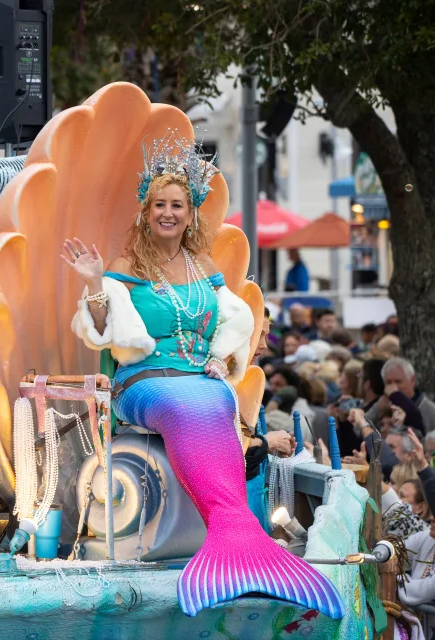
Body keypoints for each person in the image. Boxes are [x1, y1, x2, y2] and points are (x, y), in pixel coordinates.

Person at [64, 132, 343, 618]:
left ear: (191, 213)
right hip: (144, 383)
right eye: (158, 205)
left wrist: (221, 358)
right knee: (186, 404)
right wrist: (93, 284)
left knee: (215, 400)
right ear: (145, 212)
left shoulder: (204, 267)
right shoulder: (125, 266)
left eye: (177, 205)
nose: (168, 213)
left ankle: (233, 540)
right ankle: (237, 535)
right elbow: (103, 332)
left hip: (201, 380)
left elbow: (235, 323)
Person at [369, 357, 435, 434]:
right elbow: (359, 430)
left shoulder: (429, 410)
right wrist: (376, 409)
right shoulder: (382, 405)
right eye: (389, 382)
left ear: (412, 380)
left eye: (398, 382)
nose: (393, 388)